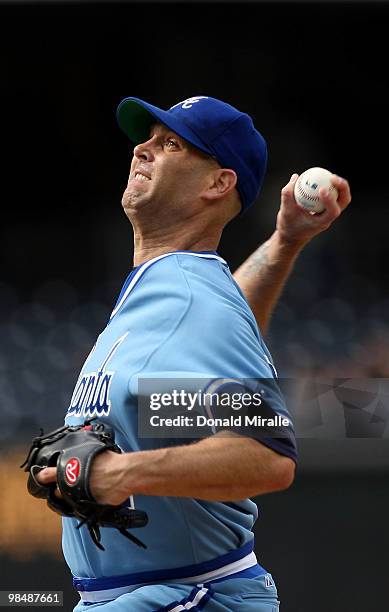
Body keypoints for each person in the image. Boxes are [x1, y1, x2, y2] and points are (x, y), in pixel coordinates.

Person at [36, 95, 351, 611]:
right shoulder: (178, 288)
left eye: (170, 143)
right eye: (147, 139)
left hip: (188, 596)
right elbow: (220, 322)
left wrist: (121, 473)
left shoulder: (188, 292)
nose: (142, 148)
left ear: (217, 184)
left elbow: (267, 455)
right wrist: (284, 241)